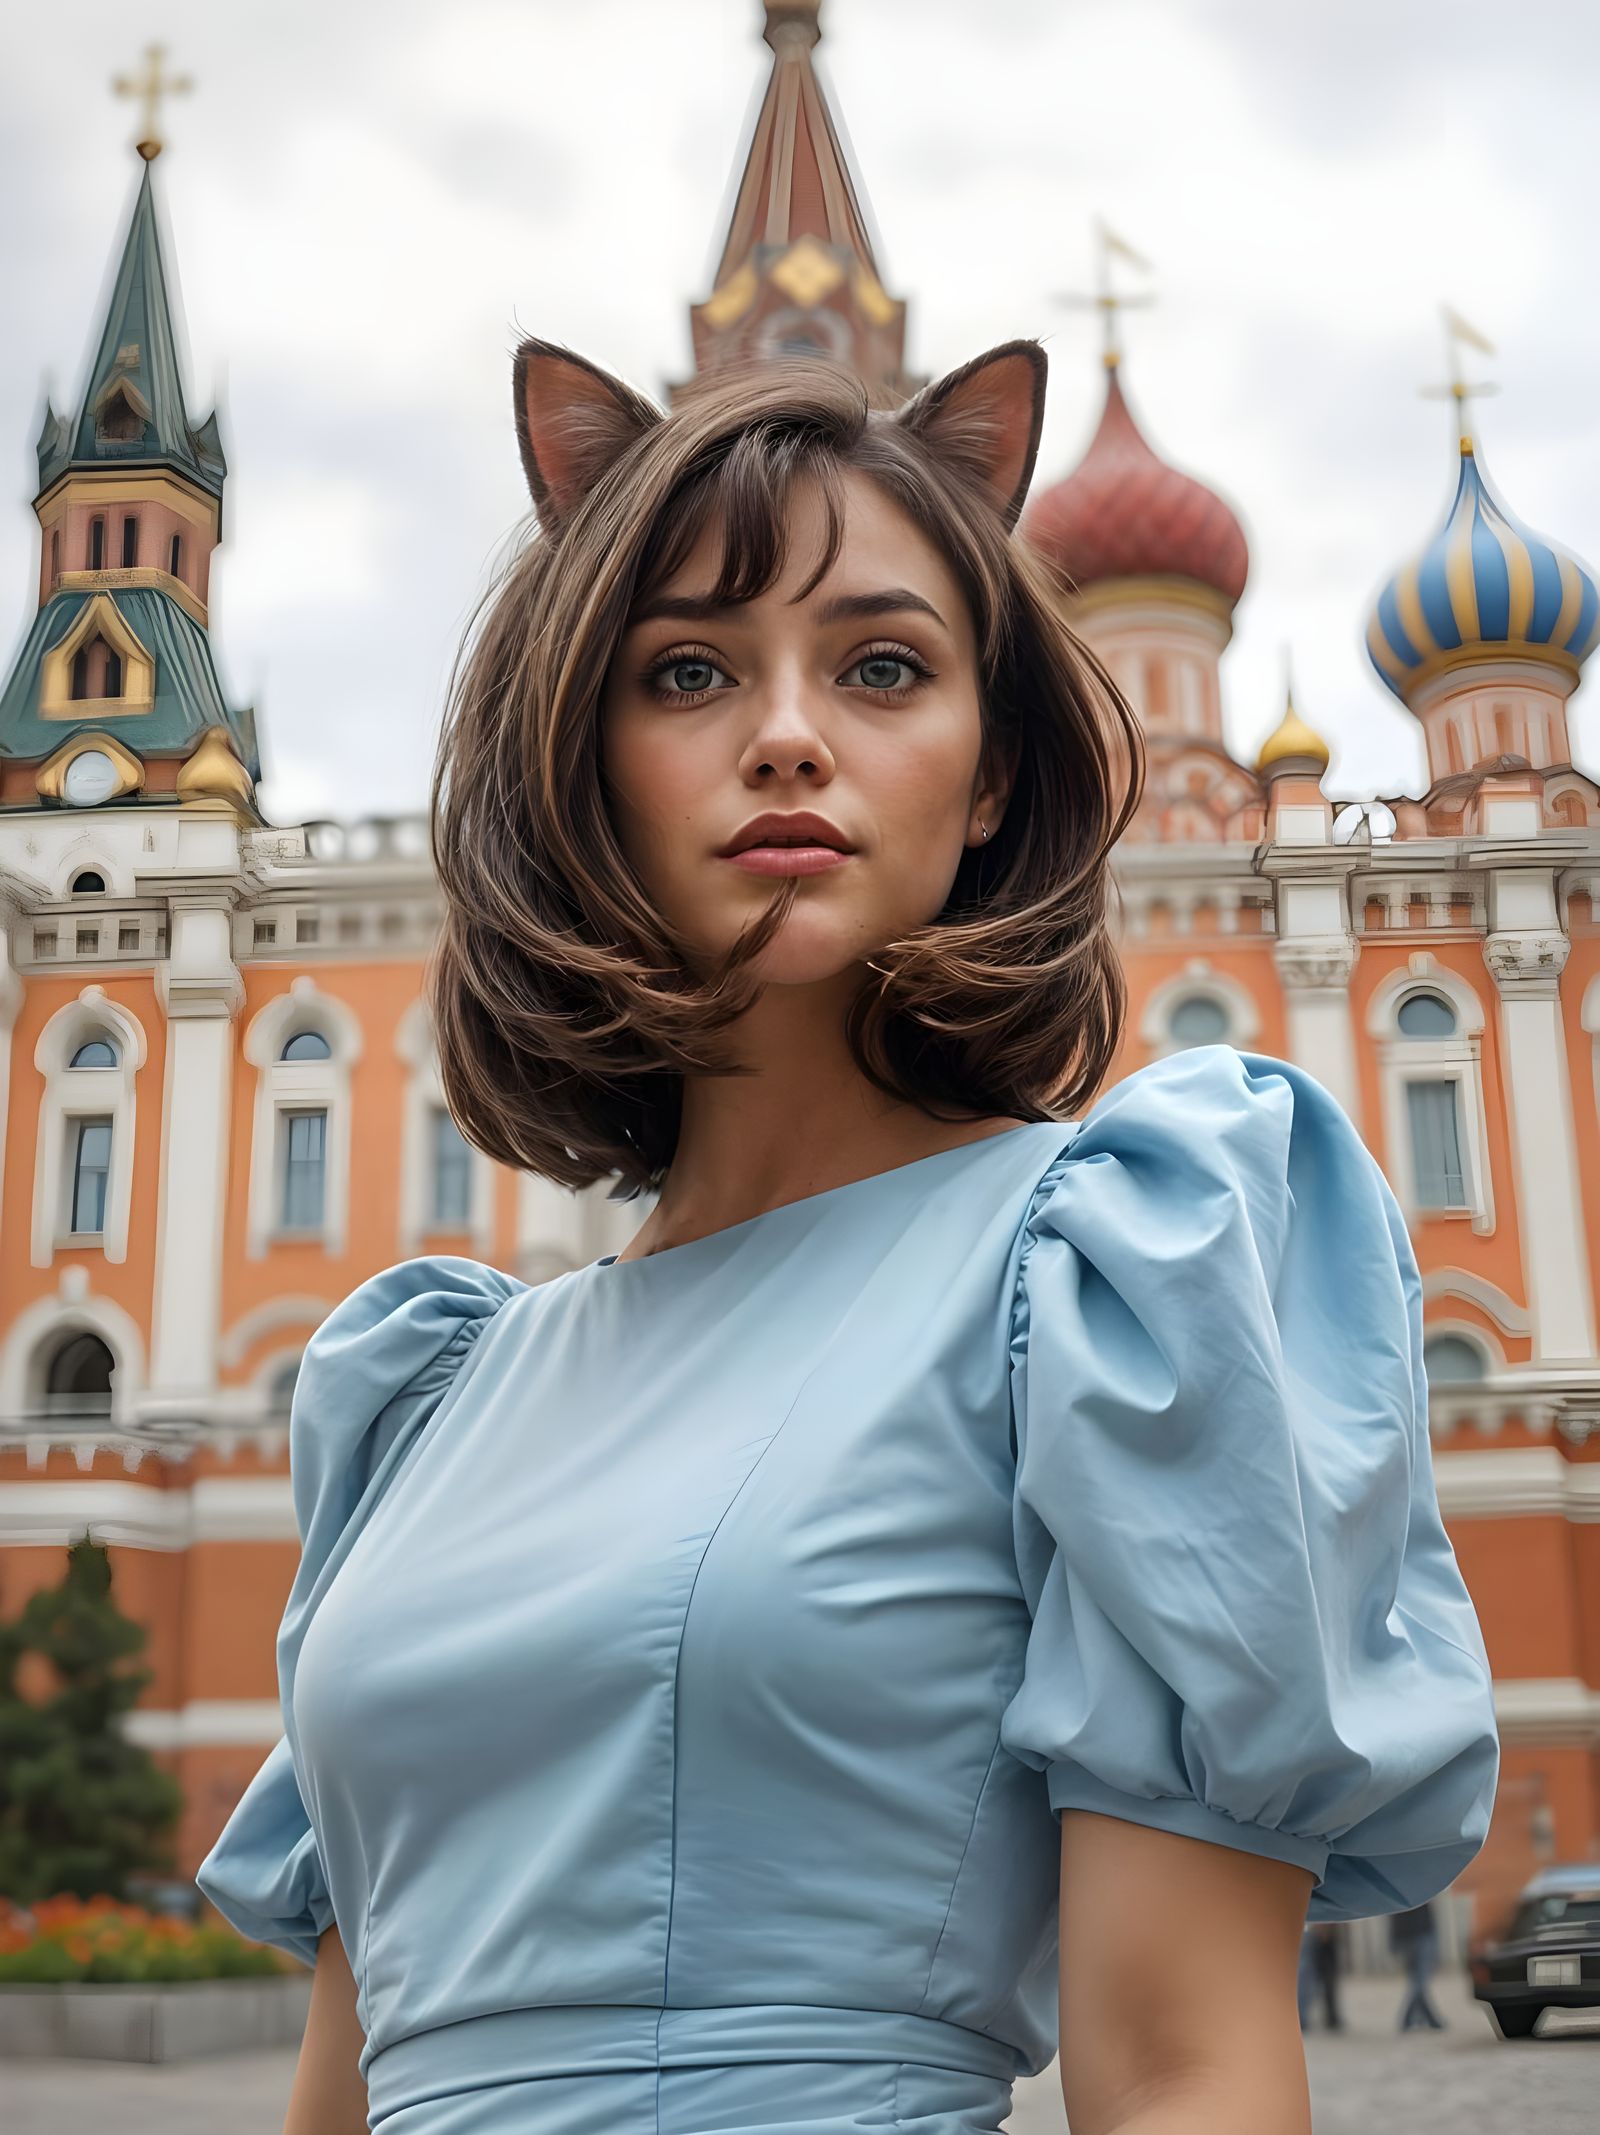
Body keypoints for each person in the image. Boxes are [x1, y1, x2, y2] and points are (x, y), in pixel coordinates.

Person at [195, 335, 1501, 2135]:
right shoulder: (423, 1397)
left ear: (986, 780)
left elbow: (1188, 2076)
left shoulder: (1112, 1279)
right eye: (688, 670)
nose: (788, 730)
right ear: (584, 770)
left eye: (883, 664)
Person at [1391, 1899, 1449, 2031]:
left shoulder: (1393, 1884)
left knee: (1417, 1980)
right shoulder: (1419, 1883)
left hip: (1405, 1934)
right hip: (1420, 1932)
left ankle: (1431, 2019)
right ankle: (1406, 2018)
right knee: (1419, 1981)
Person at [1297, 1921, 1344, 2032]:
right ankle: (1301, 2017)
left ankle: (1331, 2016)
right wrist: (1322, 1926)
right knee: (1306, 1974)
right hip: (1312, 1927)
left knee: (1325, 1974)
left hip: (1318, 1927)